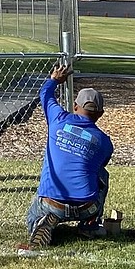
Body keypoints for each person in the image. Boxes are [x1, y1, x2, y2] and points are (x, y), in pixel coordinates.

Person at [25, 63, 113, 248]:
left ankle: (40, 223)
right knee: (102, 175)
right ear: (101, 114)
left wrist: (55, 80)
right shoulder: (104, 142)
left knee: (34, 211)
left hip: (52, 204)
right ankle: (89, 225)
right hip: (86, 206)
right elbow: (99, 167)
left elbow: (45, 95)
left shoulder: (58, 119)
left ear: (75, 106)